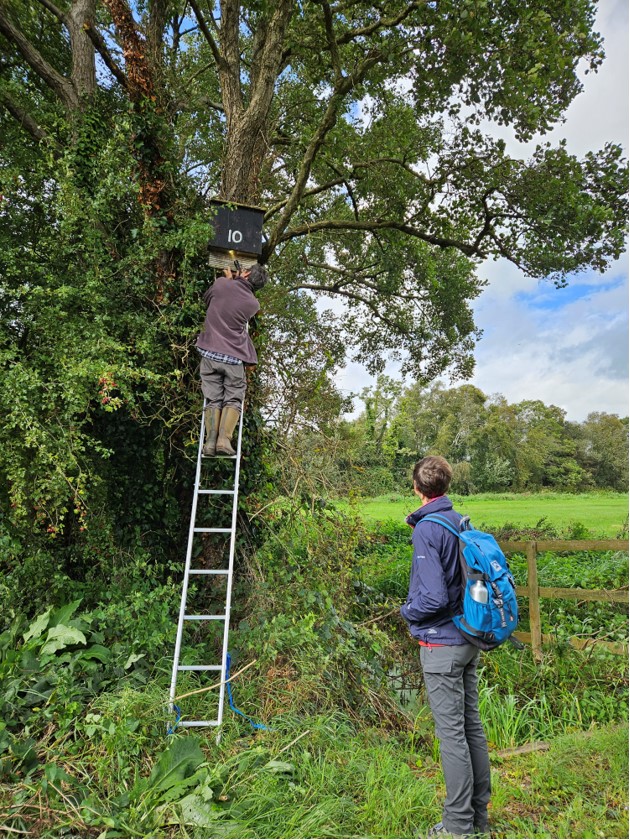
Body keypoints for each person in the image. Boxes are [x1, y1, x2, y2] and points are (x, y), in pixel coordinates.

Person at [401, 456, 491, 839]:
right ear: (446, 486)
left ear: (417, 489)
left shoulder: (427, 529)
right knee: (471, 727)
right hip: (468, 637)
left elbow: (433, 597)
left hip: (441, 644)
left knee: (451, 735)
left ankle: (457, 827)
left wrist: (406, 611)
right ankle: (479, 818)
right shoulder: (458, 521)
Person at [196, 262, 267, 456]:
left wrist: (228, 280)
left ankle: (209, 443)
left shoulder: (220, 284)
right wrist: (233, 281)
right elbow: (236, 300)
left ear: (245, 273)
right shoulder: (254, 304)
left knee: (213, 400)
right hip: (233, 357)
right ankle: (224, 441)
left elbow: (209, 299)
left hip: (209, 354)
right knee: (234, 398)